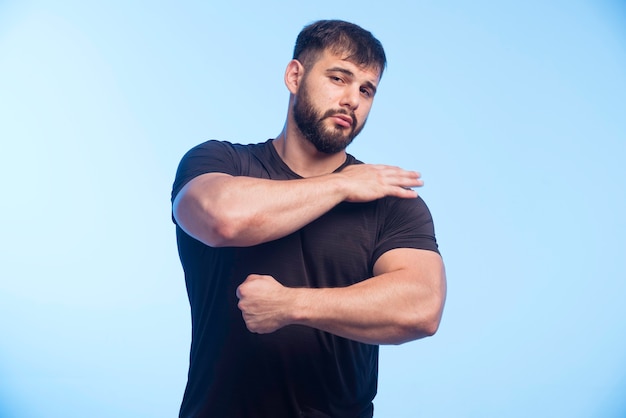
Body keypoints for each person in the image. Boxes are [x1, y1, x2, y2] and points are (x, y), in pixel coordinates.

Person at [171, 19, 446, 418]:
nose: (352, 99)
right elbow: (220, 218)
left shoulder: (390, 200)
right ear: (295, 75)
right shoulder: (221, 161)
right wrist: (340, 187)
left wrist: (292, 305)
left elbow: (422, 307)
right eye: (339, 78)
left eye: (366, 90)